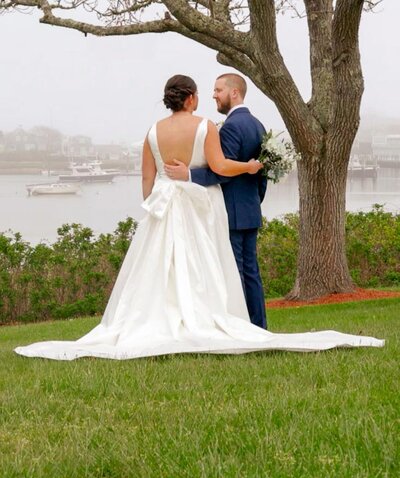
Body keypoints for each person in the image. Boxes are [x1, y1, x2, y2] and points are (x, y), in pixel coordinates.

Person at [14, 75, 384, 360]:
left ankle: (156, 319)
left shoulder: (152, 131)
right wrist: (252, 166)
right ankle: (209, 317)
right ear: (190, 98)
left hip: (163, 201)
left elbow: (146, 177)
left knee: (160, 265)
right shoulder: (206, 125)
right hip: (197, 201)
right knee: (205, 260)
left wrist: (156, 202)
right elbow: (220, 165)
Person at [165, 73, 267, 329]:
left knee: (234, 274)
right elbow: (261, 172)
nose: (214, 95)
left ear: (234, 93)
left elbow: (222, 170)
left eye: (218, 90)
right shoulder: (257, 124)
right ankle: (258, 325)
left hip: (231, 210)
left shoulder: (231, 126)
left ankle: (243, 327)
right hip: (249, 209)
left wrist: (188, 174)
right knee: (251, 273)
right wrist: (254, 201)